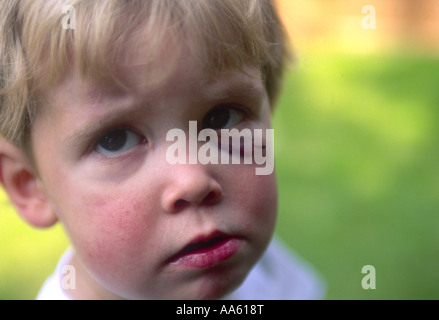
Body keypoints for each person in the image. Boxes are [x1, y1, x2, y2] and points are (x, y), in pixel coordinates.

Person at [0, 0, 325, 299]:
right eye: (116, 140)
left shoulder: (268, 276)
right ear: (29, 184)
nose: (193, 180)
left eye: (221, 117)